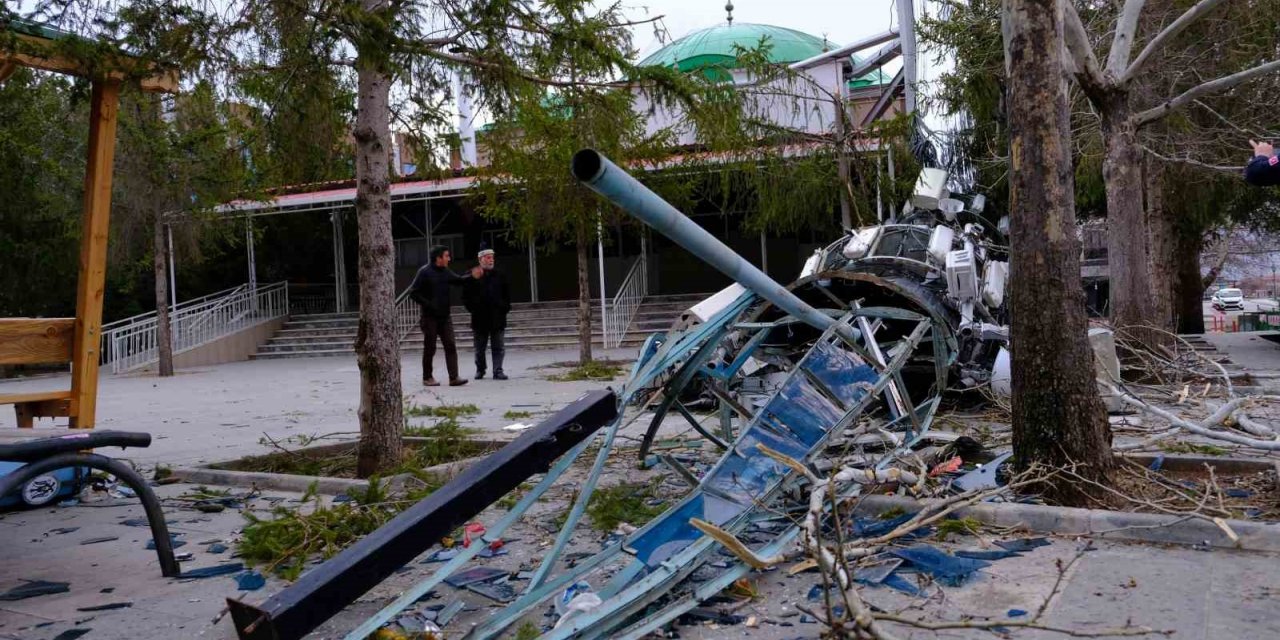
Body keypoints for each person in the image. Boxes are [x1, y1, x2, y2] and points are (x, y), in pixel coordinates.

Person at [408, 246, 481, 387]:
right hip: (429, 317)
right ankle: (427, 377)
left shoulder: (445, 271)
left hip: (445, 316)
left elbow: (458, 280)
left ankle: (454, 378)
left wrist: (472, 276)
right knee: (430, 347)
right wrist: (428, 304)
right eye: (446, 256)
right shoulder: (424, 272)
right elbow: (413, 292)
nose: (449, 259)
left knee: (451, 345)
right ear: (438, 258)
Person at [463, 248, 512, 380]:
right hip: (480, 318)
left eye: (492, 257)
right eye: (488, 257)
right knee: (479, 349)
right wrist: (473, 309)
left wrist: (504, 308)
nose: (491, 260)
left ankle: (498, 370)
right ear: (480, 260)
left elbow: (507, 295)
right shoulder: (472, 274)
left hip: (498, 317)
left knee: (499, 347)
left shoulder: (500, 275)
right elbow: (465, 296)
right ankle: (480, 369)